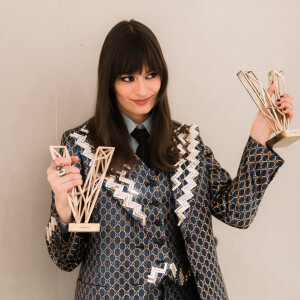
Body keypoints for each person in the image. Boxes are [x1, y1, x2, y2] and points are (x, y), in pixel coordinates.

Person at [45, 19, 293, 300]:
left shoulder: (188, 142)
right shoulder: (80, 146)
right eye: (128, 78)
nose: (142, 90)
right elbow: (64, 259)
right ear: (110, 82)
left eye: (151, 75)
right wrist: (63, 207)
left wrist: (261, 132)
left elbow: (238, 212)